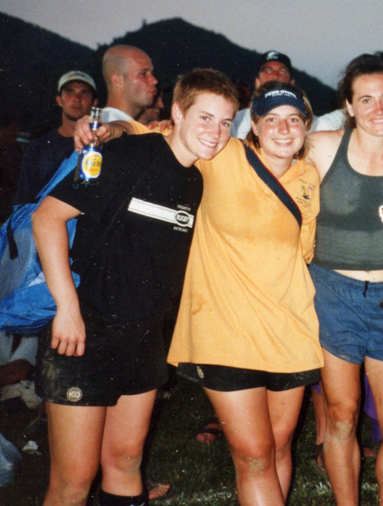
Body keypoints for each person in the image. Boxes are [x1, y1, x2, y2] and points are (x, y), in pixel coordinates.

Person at [32, 68, 237, 506]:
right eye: (205, 118)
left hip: (144, 339)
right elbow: (47, 217)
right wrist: (67, 310)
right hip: (86, 333)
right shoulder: (128, 155)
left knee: (125, 460)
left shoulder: (195, 180)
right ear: (177, 112)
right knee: (74, 479)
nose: (215, 132)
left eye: (225, 122)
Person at [166, 81, 321, 505]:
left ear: (307, 127)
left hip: (291, 329)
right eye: (271, 119)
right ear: (252, 126)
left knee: (278, 446)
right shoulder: (221, 155)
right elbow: (154, 137)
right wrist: (111, 130)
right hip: (225, 330)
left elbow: (303, 250)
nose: (283, 129)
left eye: (294, 120)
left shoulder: (309, 176)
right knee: (254, 455)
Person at [305, 54, 383, 506]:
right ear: (349, 105)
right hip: (332, 294)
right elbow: (257, 156)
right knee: (341, 416)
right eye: (366, 99)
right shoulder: (320, 147)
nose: (378, 108)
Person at [13, 71, 97, 209]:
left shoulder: (97, 146)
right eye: (69, 92)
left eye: (84, 93)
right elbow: (22, 199)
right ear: (59, 100)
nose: (77, 98)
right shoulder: (38, 146)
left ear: (94, 103)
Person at [231, 50, 296, 139]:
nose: (275, 76)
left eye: (282, 72)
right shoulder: (237, 121)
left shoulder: (312, 123)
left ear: (291, 83)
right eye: (268, 71)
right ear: (257, 82)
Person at [99, 45, 158, 124]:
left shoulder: (126, 125)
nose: (154, 81)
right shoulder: (105, 128)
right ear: (118, 80)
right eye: (143, 74)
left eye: (152, 73)